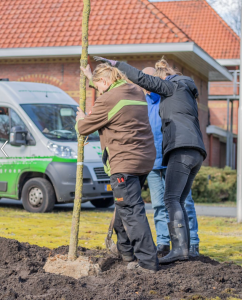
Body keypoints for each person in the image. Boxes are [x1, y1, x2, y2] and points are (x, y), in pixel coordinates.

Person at [93, 56, 206, 264]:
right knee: (178, 200)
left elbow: (141, 78)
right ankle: (182, 248)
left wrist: (117, 65)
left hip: (180, 150)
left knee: (172, 199)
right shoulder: (186, 91)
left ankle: (181, 250)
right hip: (196, 150)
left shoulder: (171, 86)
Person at [77, 63, 159, 273]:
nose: (99, 91)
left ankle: (148, 262)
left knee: (132, 211)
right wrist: (90, 77)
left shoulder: (108, 99)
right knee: (124, 207)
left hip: (124, 162)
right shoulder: (135, 91)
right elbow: (113, 96)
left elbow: (85, 127)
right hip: (144, 159)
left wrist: (80, 120)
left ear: (104, 82)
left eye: (99, 86)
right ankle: (126, 254)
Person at [143, 67, 200, 258]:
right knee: (159, 205)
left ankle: (191, 244)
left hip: (173, 158)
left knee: (184, 203)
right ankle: (163, 243)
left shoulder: (169, 97)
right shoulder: (143, 103)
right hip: (152, 162)